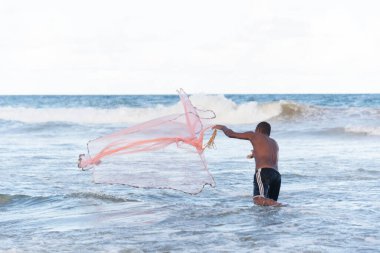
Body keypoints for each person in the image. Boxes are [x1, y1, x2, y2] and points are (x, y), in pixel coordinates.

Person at [212, 122, 283, 206]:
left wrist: (222, 127)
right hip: (276, 176)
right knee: (270, 206)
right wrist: (254, 154)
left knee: (258, 199)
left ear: (258, 130)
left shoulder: (253, 135)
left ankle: (284, 206)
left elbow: (231, 134)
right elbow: (267, 155)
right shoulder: (274, 142)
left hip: (264, 172)